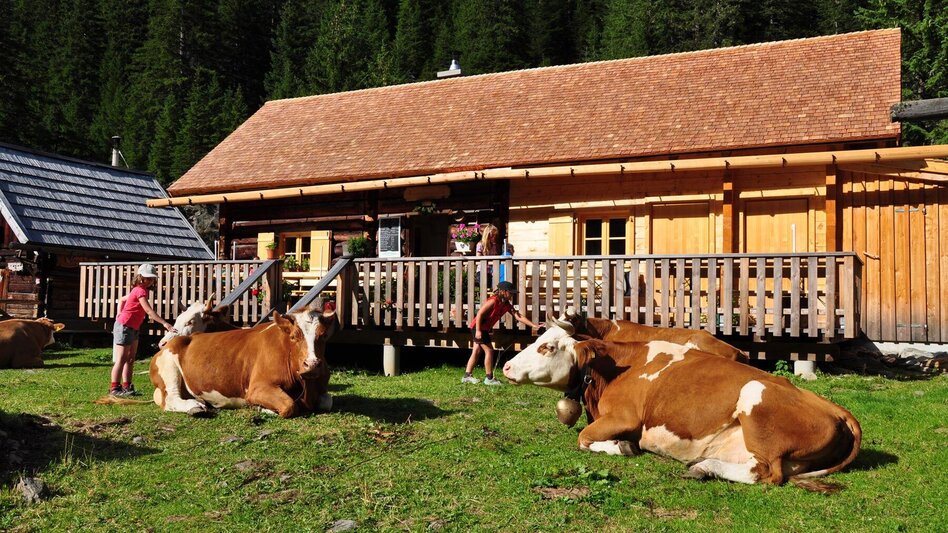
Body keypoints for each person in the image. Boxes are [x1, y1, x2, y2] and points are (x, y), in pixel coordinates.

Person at [109, 263, 176, 396]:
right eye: (148, 278)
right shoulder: (140, 290)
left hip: (133, 327)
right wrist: (164, 323)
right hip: (125, 326)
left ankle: (127, 386)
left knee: (130, 359)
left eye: (152, 279)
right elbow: (148, 310)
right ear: (140, 277)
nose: (150, 281)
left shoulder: (138, 290)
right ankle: (114, 388)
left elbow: (121, 300)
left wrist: (119, 312)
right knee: (122, 359)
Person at [462, 281, 540, 385]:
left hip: (483, 328)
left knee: (476, 351)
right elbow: (480, 314)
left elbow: (518, 316)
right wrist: (478, 330)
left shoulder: (506, 304)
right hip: (478, 327)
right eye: (510, 292)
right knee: (489, 350)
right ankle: (489, 378)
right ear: (503, 292)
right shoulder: (493, 301)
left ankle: (467, 376)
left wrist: (533, 325)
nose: (512, 295)